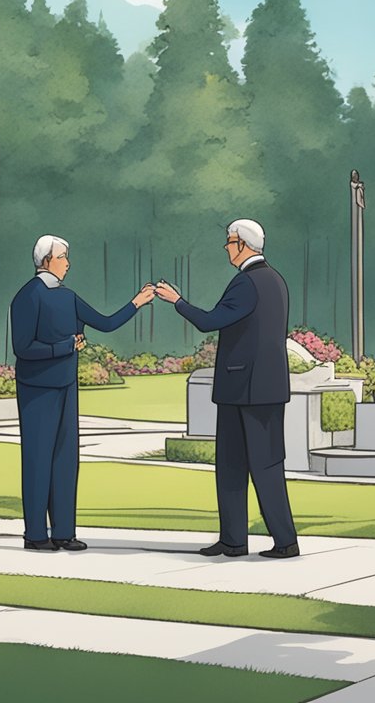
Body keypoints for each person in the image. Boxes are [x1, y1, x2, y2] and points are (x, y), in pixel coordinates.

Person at [154, 219, 299, 558]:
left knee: (257, 467)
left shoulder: (247, 283)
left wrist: (178, 301)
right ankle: (235, 539)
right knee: (241, 465)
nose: (225, 247)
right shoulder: (275, 280)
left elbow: (209, 321)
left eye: (229, 241)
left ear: (243, 244)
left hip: (247, 388)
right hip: (258, 388)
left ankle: (280, 541)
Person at [10, 235, 155, 551]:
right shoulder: (27, 296)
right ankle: (35, 535)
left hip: (65, 385)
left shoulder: (68, 296)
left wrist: (136, 302)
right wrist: (64, 346)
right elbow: (23, 348)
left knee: (65, 460)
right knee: (37, 461)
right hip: (37, 389)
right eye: (63, 257)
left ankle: (64, 532)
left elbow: (104, 323)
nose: (68, 263)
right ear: (47, 260)